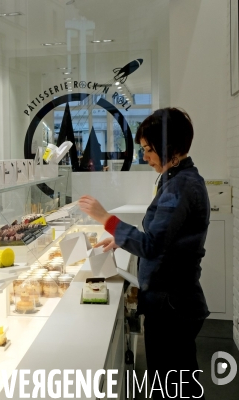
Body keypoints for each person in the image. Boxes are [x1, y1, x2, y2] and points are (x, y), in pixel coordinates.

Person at [78, 108, 209, 399]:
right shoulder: (174, 178)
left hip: (172, 307)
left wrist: (107, 219)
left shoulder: (181, 185)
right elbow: (161, 234)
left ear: (170, 148)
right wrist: (121, 239)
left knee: (173, 385)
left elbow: (152, 245)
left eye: (148, 149)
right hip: (171, 302)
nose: (145, 157)